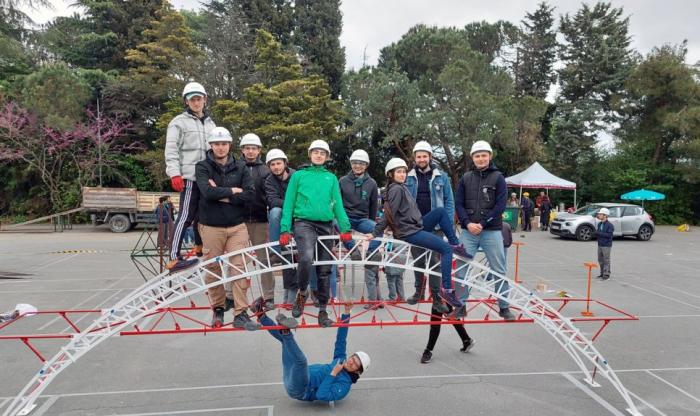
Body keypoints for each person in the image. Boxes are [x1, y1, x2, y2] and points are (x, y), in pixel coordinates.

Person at [369, 158, 469, 311]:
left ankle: (455, 243)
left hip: (416, 225)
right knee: (445, 250)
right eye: (398, 172)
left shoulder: (400, 187)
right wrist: (375, 233)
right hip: (409, 232)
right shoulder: (396, 189)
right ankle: (447, 290)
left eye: (403, 171)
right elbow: (388, 215)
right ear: (390, 174)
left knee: (440, 212)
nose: (402, 174)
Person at [279, 140, 353, 327]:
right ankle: (302, 293)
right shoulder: (299, 176)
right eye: (316, 152)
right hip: (304, 223)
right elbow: (288, 203)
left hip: (326, 224)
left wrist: (345, 228)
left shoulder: (331, 178)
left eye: (322, 153)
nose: (319, 155)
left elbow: (337, 204)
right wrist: (285, 228)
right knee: (306, 258)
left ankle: (323, 311)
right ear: (310, 154)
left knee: (325, 270)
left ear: (327, 157)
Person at [194, 127, 259, 330]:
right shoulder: (203, 167)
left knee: (238, 267)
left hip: (237, 226)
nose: (220, 147)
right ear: (211, 145)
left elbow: (249, 195)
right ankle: (219, 308)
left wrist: (220, 194)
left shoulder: (240, 168)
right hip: (211, 226)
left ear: (229, 145)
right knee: (213, 269)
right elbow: (206, 192)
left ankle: (241, 313)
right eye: (217, 144)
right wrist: (233, 191)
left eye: (224, 144)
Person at [254, 300, 370, 403]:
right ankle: (261, 314)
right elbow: (341, 339)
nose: (351, 362)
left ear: (357, 371)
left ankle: (286, 331)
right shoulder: (341, 361)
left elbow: (321, 395)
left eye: (355, 364)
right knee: (285, 342)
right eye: (352, 358)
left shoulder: (344, 386)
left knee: (301, 361)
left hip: (300, 389)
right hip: (293, 374)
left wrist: (333, 373)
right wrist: (347, 312)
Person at [454, 140, 514, 320]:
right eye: (477, 156)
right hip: (468, 231)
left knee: (498, 270)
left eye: (483, 155)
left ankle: (504, 307)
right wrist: (467, 222)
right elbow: (459, 203)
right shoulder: (466, 178)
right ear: (473, 158)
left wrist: (483, 223)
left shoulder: (498, 178)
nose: (480, 159)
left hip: (491, 231)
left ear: (490, 156)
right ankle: (460, 305)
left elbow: (500, 205)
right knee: (461, 269)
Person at [164, 81, 216, 271]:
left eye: (199, 99)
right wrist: (174, 174)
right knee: (186, 216)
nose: (196, 103)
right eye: (192, 99)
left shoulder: (211, 124)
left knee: (203, 216)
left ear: (205, 100)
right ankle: (173, 257)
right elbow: (171, 149)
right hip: (189, 177)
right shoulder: (178, 122)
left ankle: (199, 246)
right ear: (186, 102)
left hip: (207, 178)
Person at [404, 140, 456, 310]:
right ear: (414, 158)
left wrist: (445, 222)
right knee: (418, 261)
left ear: (430, 157)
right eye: (418, 156)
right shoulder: (407, 177)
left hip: (435, 227)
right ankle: (418, 293)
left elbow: (449, 201)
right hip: (415, 226)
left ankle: (436, 298)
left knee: (434, 262)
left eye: (424, 156)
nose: (421, 159)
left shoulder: (441, 177)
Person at [339, 149, 383, 308]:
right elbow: (337, 203)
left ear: (366, 165)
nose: (358, 166)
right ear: (351, 164)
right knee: (338, 225)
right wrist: (342, 219)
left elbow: (373, 206)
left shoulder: (371, 183)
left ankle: (370, 255)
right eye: (355, 163)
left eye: (361, 163)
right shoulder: (342, 181)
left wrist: (371, 228)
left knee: (377, 228)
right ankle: (353, 252)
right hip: (346, 218)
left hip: (363, 218)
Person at [238, 133, 275, 310]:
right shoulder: (236, 167)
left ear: (259, 150)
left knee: (264, 260)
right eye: (247, 148)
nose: (250, 151)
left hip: (261, 221)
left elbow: (272, 195)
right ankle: (238, 298)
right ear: (242, 150)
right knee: (239, 262)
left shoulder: (266, 170)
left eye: (254, 148)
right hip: (240, 222)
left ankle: (269, 297)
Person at [264, 148, 297, 304]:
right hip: (282, 214)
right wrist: (289, 205)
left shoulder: (296, 176)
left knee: (306, 256)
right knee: (275, 211)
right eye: (273, 164)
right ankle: (275, 251)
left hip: (298, 215)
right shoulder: (269, 180)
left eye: (278, 163)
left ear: (285, 163)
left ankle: (315, 290)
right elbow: (272, 201)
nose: (276, 167)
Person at [595, 208, 614, 280]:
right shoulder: (600, 224)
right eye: (599, 214)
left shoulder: (610, 225)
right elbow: (599, 233)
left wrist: (598, 233)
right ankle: (602, 273)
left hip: (606, 245)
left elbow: (609, 235)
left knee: (606, 260)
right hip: (600, 244)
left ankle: (606, 275)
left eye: (600, 214)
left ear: (605, 215)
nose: (599, 215)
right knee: (600, 260)